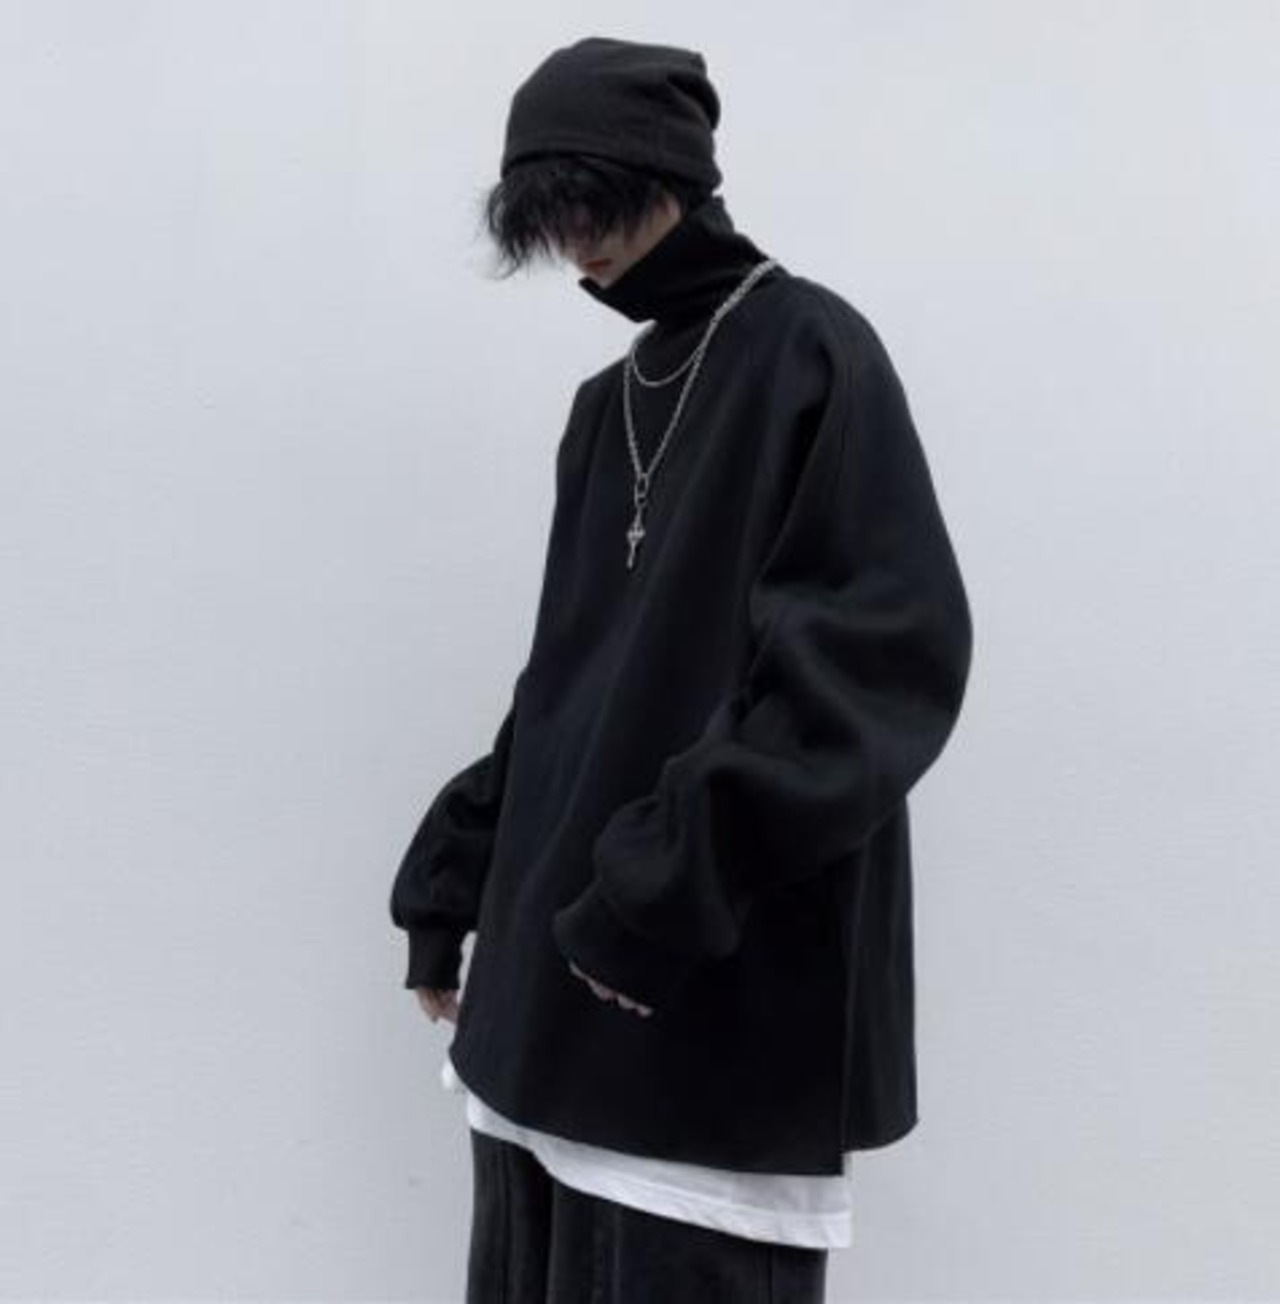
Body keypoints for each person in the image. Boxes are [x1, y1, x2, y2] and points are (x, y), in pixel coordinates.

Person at [390, 35, 974, 1303]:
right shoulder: (601, 406)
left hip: (701, 987)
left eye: (586, 205)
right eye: (546, 221)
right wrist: (456, 877)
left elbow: (875, 664)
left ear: (666, 175)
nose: (574, 248)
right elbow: (565, 686)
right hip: (542, 994)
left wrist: (664, 885)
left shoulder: (810, 350)